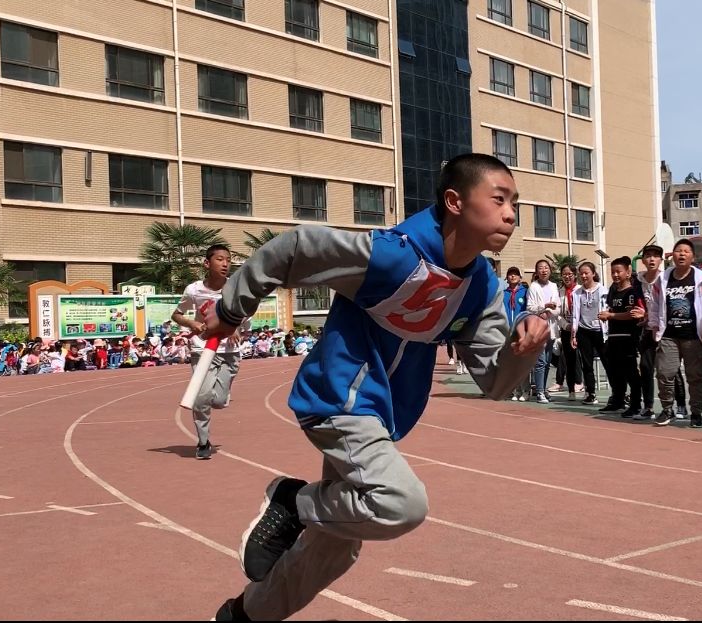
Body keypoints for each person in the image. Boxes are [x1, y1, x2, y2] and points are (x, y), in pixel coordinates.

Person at [204, 153, 549, 622]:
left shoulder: (481, 287)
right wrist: (230, 310)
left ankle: (241, 616)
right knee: (399, 503)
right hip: (338, 397)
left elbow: (494, 380)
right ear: (454, 201)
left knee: (335, 548)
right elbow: (294, 249)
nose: (511, 214)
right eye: (499, 199)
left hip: (382, 417)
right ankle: (292, 501)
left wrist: (521, 349)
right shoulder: (390, 255)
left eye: (516, 204)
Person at [172, 244, 242, 460]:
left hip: (229, 351)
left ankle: (220, 393)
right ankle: (203, 442)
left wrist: (236, 327)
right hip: (203, 349)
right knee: (201, 399)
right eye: (220, 259)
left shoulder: (236, 287)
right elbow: (176, 314)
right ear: (207, 263)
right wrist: (191, 323)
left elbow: (245, 313)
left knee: (219, 401)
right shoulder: (194, 290)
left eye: (228, 260)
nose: (225, 264)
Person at [648, 239, 702, 427]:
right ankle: (667, 409)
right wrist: (655, 325)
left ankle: (696, 412)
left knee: (695, 376)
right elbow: (654, 304)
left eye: (686, 251)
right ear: (673, 255)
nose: (681, 254)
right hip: (669, 334)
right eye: (678, 251)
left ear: (693, 257)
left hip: (694, 336)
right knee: (664, 373)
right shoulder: (663, 279)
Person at [598, 257, 644, 417]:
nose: (615, 275)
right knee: (614, 371)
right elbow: (612, 310)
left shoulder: (632, 292)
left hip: (628, 337)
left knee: (631, 371)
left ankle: (636, 404)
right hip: (613, 337)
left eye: (619, 271)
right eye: (613, 272)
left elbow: (631, 314)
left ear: (628, 272)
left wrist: (611, 315)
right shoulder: (613, 290)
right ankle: (617, 400)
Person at [571, 261, 607, 406]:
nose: (584, 276)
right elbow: (575, 315)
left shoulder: (603, 290)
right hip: (584, 331)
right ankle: (591, 393)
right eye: (581, 273)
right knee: (587, 364)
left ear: (593, 273)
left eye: (587, 273)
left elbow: (606, 310)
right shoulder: (577, 293)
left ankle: (619, 394)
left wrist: (607, 330)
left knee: (608, 362)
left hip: (600, 331)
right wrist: (574, 335)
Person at [636, 244, 664, 419]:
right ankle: (648, 407)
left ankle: (680, 406)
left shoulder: (666, 280)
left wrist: (649, 315)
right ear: (643, 260)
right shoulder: (637, 281)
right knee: (645, 367)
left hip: (665, 330)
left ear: (661, 259)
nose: (652, 259)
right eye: (648, 256)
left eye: (655, 256)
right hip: (646, 331)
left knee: (668, 370)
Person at [527, 259, 560, 403]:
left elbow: (558, 308)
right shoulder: (533, 287)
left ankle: (543, 389)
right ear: (536, 271)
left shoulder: (554, 286)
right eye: (540, 268)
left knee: (547, 362)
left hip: (551, 329)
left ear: (550, 271)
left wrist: (549, 311)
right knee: (540, 362)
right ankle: (539, 391)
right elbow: (530, 308)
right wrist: (545, 306)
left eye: (546, 268)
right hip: (538, 329)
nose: (544, 270)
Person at [502, 265, 530, 401]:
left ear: (519, 278)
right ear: (507, 278)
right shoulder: (504, 294)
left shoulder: (525, 292)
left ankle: (526, 390)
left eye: (515, 274)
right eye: (510, 274)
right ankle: (514, 391)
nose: (512, 276)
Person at [554, 263, 580, 399]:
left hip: (582, 329)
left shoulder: (580, 290)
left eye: (570, 274)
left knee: (585, 361)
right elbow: (557, 313)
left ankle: (589, 390)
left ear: (575, 275)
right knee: (569, 360)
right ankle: (571, 390)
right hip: (567, 330)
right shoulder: (559, 292)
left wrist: (577, 325)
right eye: (564, 274)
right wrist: (566, 326)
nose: (567, 276)